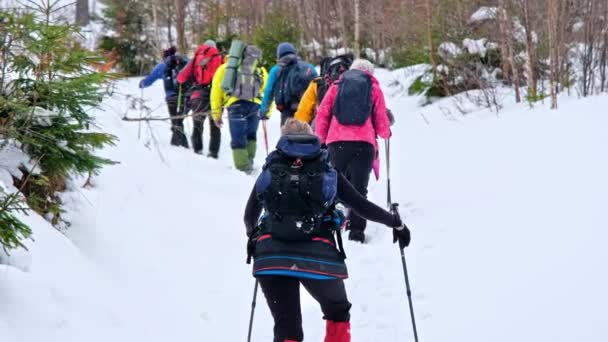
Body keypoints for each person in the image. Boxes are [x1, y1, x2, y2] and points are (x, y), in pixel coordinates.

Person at [244, 118, 411, 342]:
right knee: (338, 311)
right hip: (318, 256)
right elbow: (360, 205)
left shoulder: (274, 166)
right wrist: (396, 223)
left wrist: (256, 238)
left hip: (271, 256)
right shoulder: (325, 167)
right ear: (312, 137)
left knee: (287, 330)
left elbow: (249, 217)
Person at [314, 59, 392, 243]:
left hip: (337, 142)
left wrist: (322, 140)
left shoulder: (337, 85)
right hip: (364, 145)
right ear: (370, 72)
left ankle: (327, 226)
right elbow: (381, 120)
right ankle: (356, 231)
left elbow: (323, 114)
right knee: (359, 189)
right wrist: (386, 132)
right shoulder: (373, 88)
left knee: (332, 185)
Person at [210, 44, 268, 173]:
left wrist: (216, 114)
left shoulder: (225, 69)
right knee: (251, 135)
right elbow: (268, 91)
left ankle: (242, 168)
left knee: (238, 136)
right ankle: (249, 161)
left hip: (235, 105)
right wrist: (267, 111)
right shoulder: (259, 69)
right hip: (255, 105)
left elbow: (216, 93)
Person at [176, 40, 223, 157]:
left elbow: (181, 77)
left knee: (197, 124)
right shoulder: (220, 58)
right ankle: (213, 153)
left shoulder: (196, 58)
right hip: (216, 95)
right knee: (215, 126)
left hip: (198, 95)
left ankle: (197, 150)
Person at [139, 46, 189, 148]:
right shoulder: (185, 62)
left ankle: (179, 145)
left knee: (176, 120)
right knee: (178, 120)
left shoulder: (163, 65)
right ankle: (181, 144)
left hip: (171, 97)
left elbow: (151, 78)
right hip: (185, 95)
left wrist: (142, 83)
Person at [259, 42, 317, 127]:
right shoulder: (309, 67)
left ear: (279, 55)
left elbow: (269, 91)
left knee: (288, 138)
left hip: (288, 111)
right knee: (308, 137)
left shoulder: (276, 70)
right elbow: (318, 85)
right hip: (308, 109)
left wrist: (264, 110)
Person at [294, 54, 353, 125]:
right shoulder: (357, 82)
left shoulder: (316, 83)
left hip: (323, 128)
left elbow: (303, 111)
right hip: (352, 128)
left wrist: (298, 129)